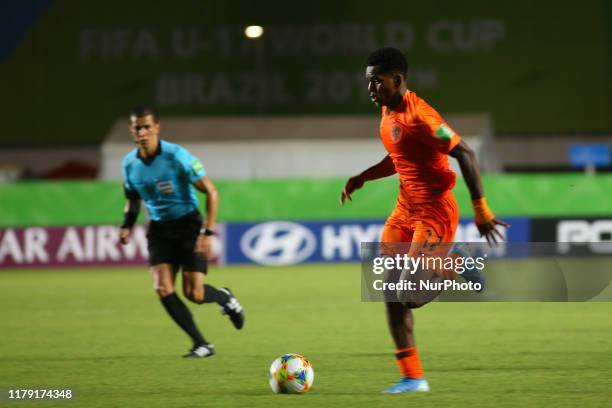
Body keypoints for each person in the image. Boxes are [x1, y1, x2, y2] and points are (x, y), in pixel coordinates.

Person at [340, 48, 508, 393]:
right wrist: (364, 177)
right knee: (389, 290)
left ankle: (458, 261)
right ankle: (414, 378)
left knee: (410, 296)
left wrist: (481, 210)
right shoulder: (388, 110)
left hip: (434, 211)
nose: (371, 90)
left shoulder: (422, 117)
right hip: (405, 209)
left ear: (397, 80)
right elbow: (398, 155)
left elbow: (466, 153)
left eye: (376, 82)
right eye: (368, 82)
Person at [118, 106, 244, 358]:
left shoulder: (177, 157)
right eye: (137, 127)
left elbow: (212, 191)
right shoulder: (129, 163)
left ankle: (223, 297)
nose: (142, 132)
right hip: (159, 229)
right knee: (162, 288)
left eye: (146, 126)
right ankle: (201, 344)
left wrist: (206, 233)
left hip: (188, 226)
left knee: (194, 294)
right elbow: (132, 198)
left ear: (156, 128)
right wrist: (127, 225)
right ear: (131, 131)